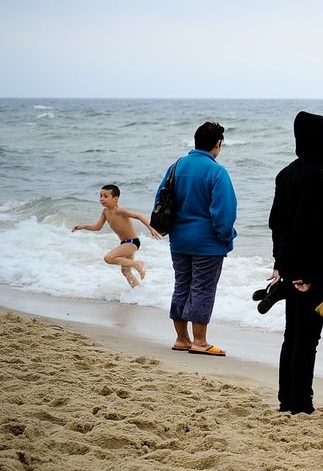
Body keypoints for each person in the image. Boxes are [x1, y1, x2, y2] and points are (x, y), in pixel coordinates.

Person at [267, 111, 323, 415]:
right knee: (306, 339)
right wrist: (305, 273)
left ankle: (289, 400)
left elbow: (277, 224)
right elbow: (309, 229)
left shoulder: (287, 173)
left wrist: (281, 265)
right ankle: (301, 404)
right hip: (308, 270)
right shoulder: (315, 177)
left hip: (291, 266)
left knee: (292, 336)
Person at [160, 121, 237, 356]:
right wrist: (226, 237)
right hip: (208, 243)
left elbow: (161, 199)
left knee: (181, 285)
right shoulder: (217, 171)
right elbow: (224, 212)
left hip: (179, 240)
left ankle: (181, 339)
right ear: (217, 144)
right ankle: (200, 342)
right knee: (203, 289)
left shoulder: (176, 166)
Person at [71, 185, 161, 287]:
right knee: (126, 271)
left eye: (105, 196)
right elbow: (97, 227)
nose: (101, 199)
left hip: (132, 242)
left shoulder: (119, 211)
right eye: (100, 196)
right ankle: (138, 292)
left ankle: (138, 264)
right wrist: (83, 226)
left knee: (108, 258)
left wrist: (151, 229)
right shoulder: (105, 212)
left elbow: (138, 216)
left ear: (115, 199)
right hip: (125, 243)